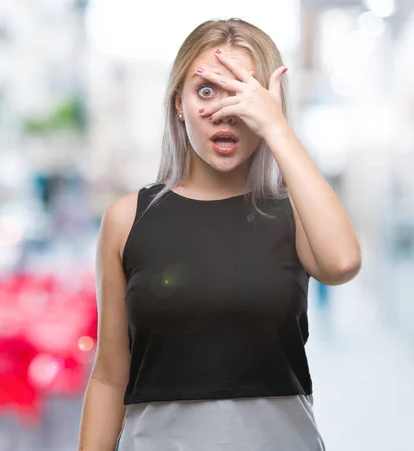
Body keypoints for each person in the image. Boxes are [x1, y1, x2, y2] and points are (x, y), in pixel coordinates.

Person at [77, 18, 361, 451]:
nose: (224, 111)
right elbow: (110, 375)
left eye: (242, 92)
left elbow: (342, 264)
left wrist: (278, 129)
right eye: (206, 90)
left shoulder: (295, 211)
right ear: (178, 102)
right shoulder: (127, 220)